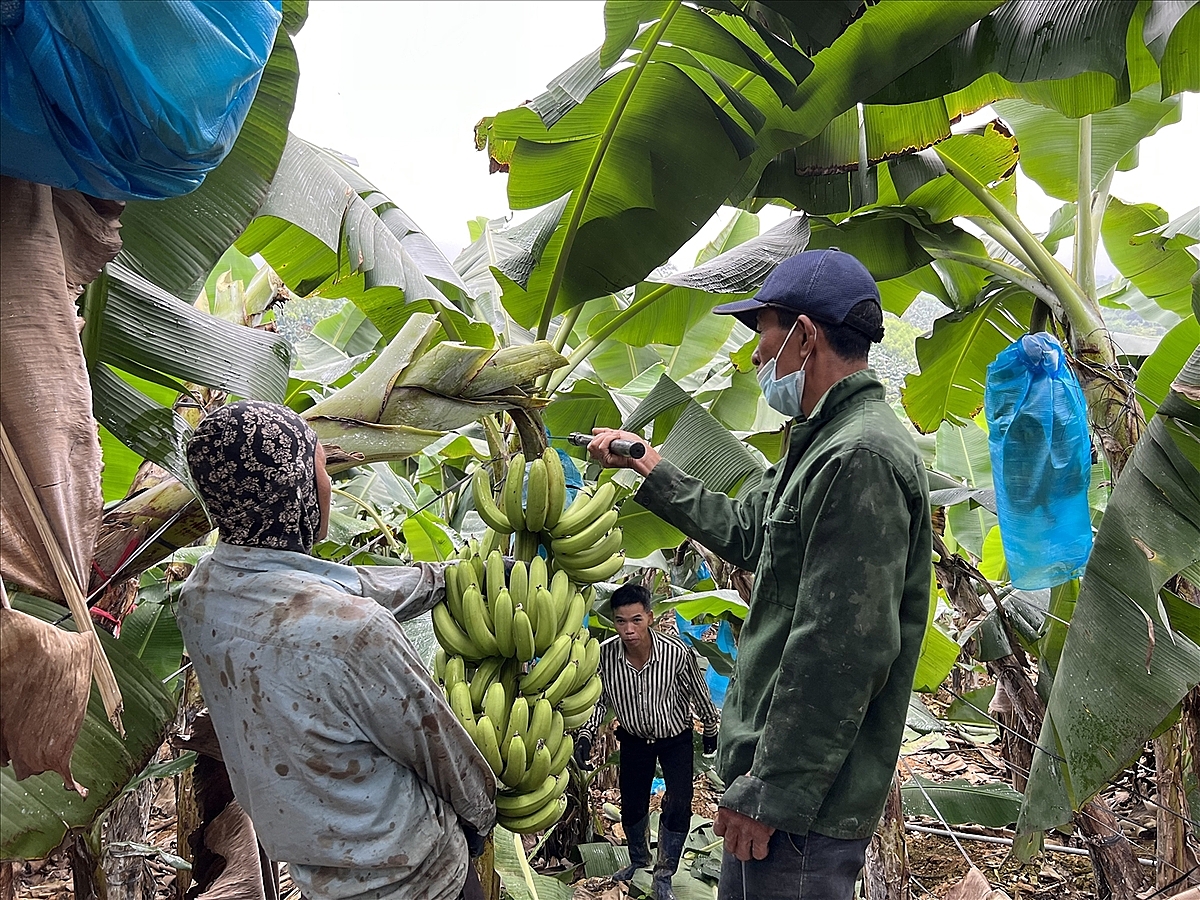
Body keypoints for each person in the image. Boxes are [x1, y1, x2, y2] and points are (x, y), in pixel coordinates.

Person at [588, 249, 932, 900]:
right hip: (776, 782)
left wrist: (773, 792)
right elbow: (750, 534)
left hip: (804, 802)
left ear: (803, 335)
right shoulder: (818, 441)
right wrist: (650, 466)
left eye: (762, 331)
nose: (753, 356)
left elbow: (841, 650)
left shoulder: (859, 455)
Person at [177, 400, 495, 900]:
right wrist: (480, 820)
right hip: (418, 878)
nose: (330, 485)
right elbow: (442, 754)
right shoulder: (355, 633)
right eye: (322, 466)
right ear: (295, 487)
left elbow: (328, 586)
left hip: (318, 876)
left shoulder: (200, 597)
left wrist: (444, 579)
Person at [575, 583, 720, 900]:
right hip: (634, 739)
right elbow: (598, 701)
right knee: (632, 807)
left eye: (636, 620)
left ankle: (664, 874)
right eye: (621, 621)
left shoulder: (676, 654)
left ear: (650, 617)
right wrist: (586, 733)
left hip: (675, 738)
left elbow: (699, 692)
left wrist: (710, 728)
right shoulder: (606, 656)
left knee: (679, 802)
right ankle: (639, 860)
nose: (629, 629)